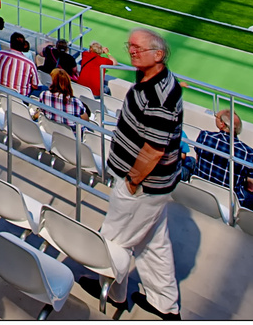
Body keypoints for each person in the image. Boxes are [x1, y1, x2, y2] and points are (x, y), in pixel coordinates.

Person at [88, 28, 184, 319]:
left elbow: (154, 150)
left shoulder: (161, 94)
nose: (131, 51)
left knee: (114, 237)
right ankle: (165, 304)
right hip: (151, 187)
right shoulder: (149, 81)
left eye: (138, 48)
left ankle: (113, 294)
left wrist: (131, 181)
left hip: (142, 186)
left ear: (158, 54)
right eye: (129, 46)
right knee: (154, 244)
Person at [191, 110, 253, 212]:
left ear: (222, 124)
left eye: (217, 117)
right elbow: (251, 188)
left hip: (200, 190)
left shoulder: (204, 136)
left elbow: (197, 162)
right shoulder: (249, 153)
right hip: (230, 203)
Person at [0, 32, 41, 97]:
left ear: (10, 44)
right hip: (20, 100)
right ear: (23, 46)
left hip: (0, 94)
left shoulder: (1, 54)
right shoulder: (30, 64)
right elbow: (35, 85)